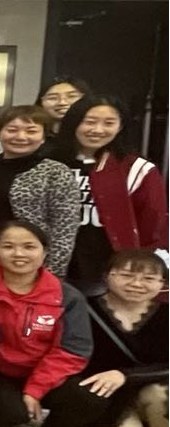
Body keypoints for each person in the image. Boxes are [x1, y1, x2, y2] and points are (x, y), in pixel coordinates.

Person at [0, 221, 102, 427]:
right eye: (8, 246)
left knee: (91, 395)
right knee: (11, 412)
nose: (18, 253)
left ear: (44, 252)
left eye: (29, 247)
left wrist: (35, 389)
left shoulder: (67, 296)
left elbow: (72, 351)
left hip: (43, 373)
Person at [50, 94, 168, 289]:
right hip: (53, 267)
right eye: (90, 122)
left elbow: (153, 225)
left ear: (120, 127)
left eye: (109, 123)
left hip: (112, 271)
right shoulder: (49, 163)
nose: (98, 130)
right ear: (73, 123)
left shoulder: (137, 169)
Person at [83, 249, 168, 427]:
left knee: (165, 394)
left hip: (148, 390)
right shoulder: (84, 308)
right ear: (107, 276)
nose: (137, 284)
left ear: (162, 283)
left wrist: (124, 375)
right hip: (100, 393)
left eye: (149, 278)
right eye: (127, 275)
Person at [0, 105, 79, 276]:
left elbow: (64, 230)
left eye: (31, 131)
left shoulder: (56, 172)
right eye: (12, 130)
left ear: (43, 137)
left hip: (32, 259)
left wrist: (52, 273)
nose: (21, 137)